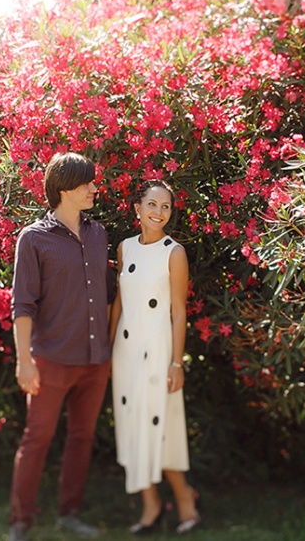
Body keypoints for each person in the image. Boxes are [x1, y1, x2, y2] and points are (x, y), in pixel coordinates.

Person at [8, 152, 112, 541]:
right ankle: (20, 522)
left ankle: (69, 513)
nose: (94, 188)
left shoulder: (99, 234)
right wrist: (24, 361)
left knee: (82, 438)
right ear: (65, 189)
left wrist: (108, 349)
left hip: (95, 361)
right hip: (50, 360)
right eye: (87, 183)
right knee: (37, 439)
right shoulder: (33, 238)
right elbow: (22, 305)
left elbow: (107, 296)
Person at [109, 179, 200, 535]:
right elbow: (119, 301)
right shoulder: (125, 248)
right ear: (137, 208)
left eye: (165, 207)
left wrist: (176, 362)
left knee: (161, 428)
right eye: (152, 204)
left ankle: (185, 498)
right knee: (131, 427)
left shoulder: (173, 253)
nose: (158, 212)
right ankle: (150, 505)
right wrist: (107, 347)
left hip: (159, 350)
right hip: (125, 351)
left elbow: (179, 311)